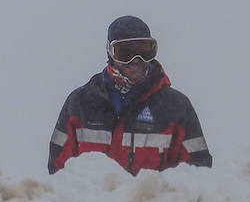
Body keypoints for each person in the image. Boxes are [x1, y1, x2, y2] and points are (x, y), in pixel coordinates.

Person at [48, 15, 212, 173]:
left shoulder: (176, 108)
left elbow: (199, 175)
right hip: (93, 200)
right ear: (110, 52)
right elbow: (58, 174)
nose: (135, 60)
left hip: (148, 200)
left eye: (144, 51)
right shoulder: (80, 103)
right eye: (125, 52)